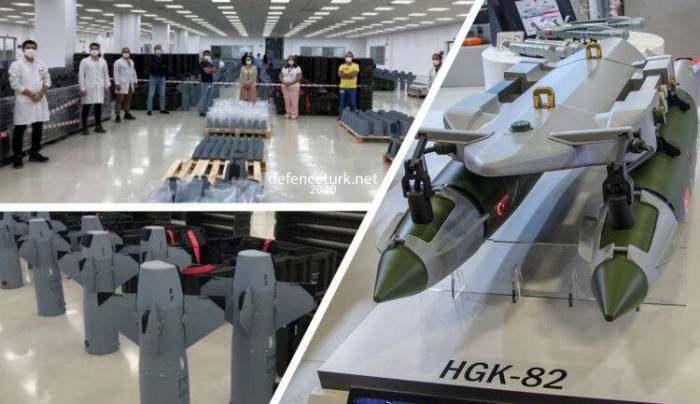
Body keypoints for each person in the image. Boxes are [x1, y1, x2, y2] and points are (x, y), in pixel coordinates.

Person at [8, 39, 51, 168]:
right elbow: (15, 84)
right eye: (28, 47)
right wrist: (32, 95)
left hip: (39, 100)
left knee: (38, 127)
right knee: (20, 129)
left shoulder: (41, 64)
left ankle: (34, 152)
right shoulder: (16, 65)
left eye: (33, 47)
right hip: (24, 101)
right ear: (23, 49)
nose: (30, 50)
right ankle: (17, 156)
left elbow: (47, 81)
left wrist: (40, 94)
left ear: (36, 49)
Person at [78, 42, 109, 136]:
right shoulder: (84, 61)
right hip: (88, 88)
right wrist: (82, 88)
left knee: (98, 108)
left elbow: (106, 74)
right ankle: (84, 127)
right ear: (89, 50)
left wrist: (106, 86)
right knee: (86, 108)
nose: (94, 50)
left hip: (99, 88)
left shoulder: (103, 61)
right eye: (92, 49)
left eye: (96, 48)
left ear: (99, 50)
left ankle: (98, 126)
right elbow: (81, 75)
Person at [113, 47, 138, 123]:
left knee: (128, 99)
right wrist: (117, 83)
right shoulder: (118, 62)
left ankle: (127, 113)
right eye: (124, 51)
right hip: (121, 84)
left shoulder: (131, 61)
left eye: (127, 52)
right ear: (122, 53)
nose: (126, 53)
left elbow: (133, 72)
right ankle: (117, 115)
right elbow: (116, 73)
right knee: (119, 100)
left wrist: (135, 81)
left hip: (130, 83)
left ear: (129, 53)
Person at [147, 44, 169, 115]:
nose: (158, 50)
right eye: (157, 49)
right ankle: (149, 110)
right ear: (154, 50)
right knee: (151, 94)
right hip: (153, 77)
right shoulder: (151, 58)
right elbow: (152, 67)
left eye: (159, 49)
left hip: (162, 78)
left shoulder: (164, 58)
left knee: (162, 94)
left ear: (161, 50)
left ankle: (162, 109)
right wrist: (160, 66)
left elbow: (166, 67)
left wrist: (159, 66)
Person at [197, 49, 219, 117]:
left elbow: (215, 70)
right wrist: (212, 70)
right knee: (203, 96)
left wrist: (212, 69)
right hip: (205, 82)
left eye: (208, 55)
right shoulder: (202, 63)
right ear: (203, 55)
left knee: (209, 96)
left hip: (210, 82)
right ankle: (201, 111)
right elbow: (207, 72)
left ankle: (207, 110)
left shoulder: (209, 63)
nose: (207, 56)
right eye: (206, 55)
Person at [338, 51, 359, 116]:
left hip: (352, 88)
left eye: (350, 56)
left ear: (352, 57)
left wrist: (345, 75)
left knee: (352, 103)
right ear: (345, 58)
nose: (348, 57)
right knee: (342, 103)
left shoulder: (355, 66)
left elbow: (353, 74)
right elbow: (340, 75)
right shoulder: (342, 66)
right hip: (343, 87)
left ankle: (354, 117)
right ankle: (341, 116)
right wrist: (349, 74)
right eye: (347, 56)